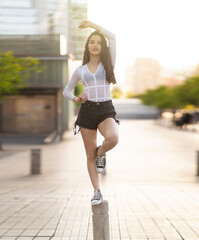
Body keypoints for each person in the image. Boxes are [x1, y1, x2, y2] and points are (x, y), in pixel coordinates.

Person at [63, 20, 120, 205]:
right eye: (92, 42)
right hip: (87, 111)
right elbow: (67, 90)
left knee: (113, 138)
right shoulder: (80, 70)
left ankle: (101, 153)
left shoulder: (109, 63)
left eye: (98, 42)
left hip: (105, 109)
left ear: (102, 46)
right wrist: (76, 99)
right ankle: (97, 191)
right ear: (87, 46)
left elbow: (113, 36)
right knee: (89, 155)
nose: (95, 45)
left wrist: (91, 24)